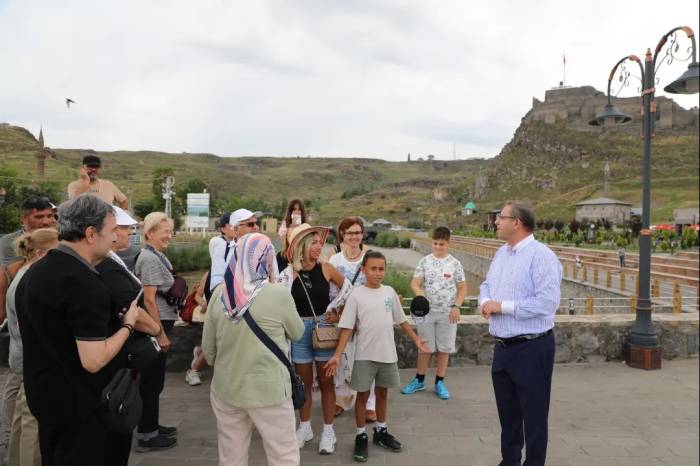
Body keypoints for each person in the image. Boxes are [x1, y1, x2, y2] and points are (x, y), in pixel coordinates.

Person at [15, 195, 148, 465]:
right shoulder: (83, 283)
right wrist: (128, 323)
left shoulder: (34, 272)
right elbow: (94, 359)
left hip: (47, 399)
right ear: (90, 234)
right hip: (82, 410)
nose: (114, 239)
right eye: (112, 231)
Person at [202, 233, 305, 466]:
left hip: (227, 390)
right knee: (283, 456)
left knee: (231, 457)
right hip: (270, 391)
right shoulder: (278, 294)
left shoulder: (219, 293)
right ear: (267, 259)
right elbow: (297, 333)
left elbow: (208, 351)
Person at [324, 250, 430, 463]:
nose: (378, 273)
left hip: (387, 355)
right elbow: (346, 328)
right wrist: (337, 355)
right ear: (363, 270)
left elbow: (401, 320)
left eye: (381, 269)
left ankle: (381, 431)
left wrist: (416, 340)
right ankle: (361, 434)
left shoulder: (389, 292)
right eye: (373, 269)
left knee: (382, 394)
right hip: (364, 356)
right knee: (362, 397)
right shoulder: (356, 294)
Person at [478, 201, 562, 466]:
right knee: (508, 415)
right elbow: (486, 285)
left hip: (532, 348)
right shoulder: (501, 253)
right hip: (502, 349)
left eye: (500, 217)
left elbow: (547, 303)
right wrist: (484, 301)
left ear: (517, 222)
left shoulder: (542, 256)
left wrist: (501, 306)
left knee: (535, 417)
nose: (496, 222)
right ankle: (510, 461)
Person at [281, 224, 345, 455]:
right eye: (315, 243)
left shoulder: (326, 268)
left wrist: (337, 310)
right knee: (303, 383)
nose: (320, 247)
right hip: (298, 330)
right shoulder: (287, 274)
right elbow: (278, 302)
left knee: (327, 384)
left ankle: (329, 431)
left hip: (323, 328)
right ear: (302, 245)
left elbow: (347, 289)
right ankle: (305, 427)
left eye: (321, 242)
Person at [0, 196, 55, 459]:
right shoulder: (30, 279)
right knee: (31, 419)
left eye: (49, 216)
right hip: (30, 361)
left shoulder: (25, 275)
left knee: (24, 418)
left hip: (24, 357)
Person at [187, 208, 263, 385]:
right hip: (225, 302)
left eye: (255, 224)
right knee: (217, 341)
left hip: (236, 302)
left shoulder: (249, 247)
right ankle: (195, 369)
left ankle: (201, 358)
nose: (255, 228)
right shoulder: (220, 244)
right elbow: (219, 280)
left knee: (219, 342)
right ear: (231, 228)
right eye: (250, 224)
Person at [401, 226, 467, 400]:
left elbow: (462, 288)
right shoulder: (425, 261)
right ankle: (419, 380)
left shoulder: (455, 263)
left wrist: (457, 307)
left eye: (442, 244)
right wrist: (419, 293)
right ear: (432, 242)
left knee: (444, 348)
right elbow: (415, 283)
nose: (438, 247)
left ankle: (440, 382)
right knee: (425, 347)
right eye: (435, 243)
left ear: (448, 243)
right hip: (426, 313)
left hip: (448, 313)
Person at [134, 212, 179, 452]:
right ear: (150, 233)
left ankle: (150, 425)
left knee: (155, 381)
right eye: (165, 231)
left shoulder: (155, 255)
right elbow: (149, 300)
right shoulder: (150, 259)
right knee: (151, 382)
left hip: (160, 322)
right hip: (156, 324)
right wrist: (159, 334)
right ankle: (147, 434)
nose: (169, 236)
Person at [327, 217, 376, 419]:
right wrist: (337, 313)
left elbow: (376, 287)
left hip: (366, 319)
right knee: (342, 360)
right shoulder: (334, 261)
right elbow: (330, 291)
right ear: (342, 235)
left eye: (357, 232)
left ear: (362, 234)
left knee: (367, 361)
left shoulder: (370, 257)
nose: (354, 236)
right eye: (350, 233)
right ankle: (341, 400)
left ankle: (369, 403)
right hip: (342, 318)